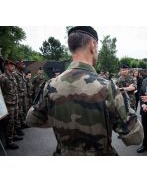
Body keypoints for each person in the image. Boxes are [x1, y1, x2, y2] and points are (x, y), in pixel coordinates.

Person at [26, 26, 131, 156]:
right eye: (97, 48)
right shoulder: (107, 87)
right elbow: (134, 136)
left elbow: (32, 119)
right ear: (93, 45)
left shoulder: (50, 85)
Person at [0, 59, 21, 149]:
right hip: (8, 105)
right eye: (11, 65)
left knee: (14, 121)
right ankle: (9, 142)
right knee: (9, 123)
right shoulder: (3, 77)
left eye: (13, 65)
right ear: (6, 66)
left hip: (15, 102)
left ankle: (14, 135)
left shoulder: (12, 76)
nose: (13, 66)